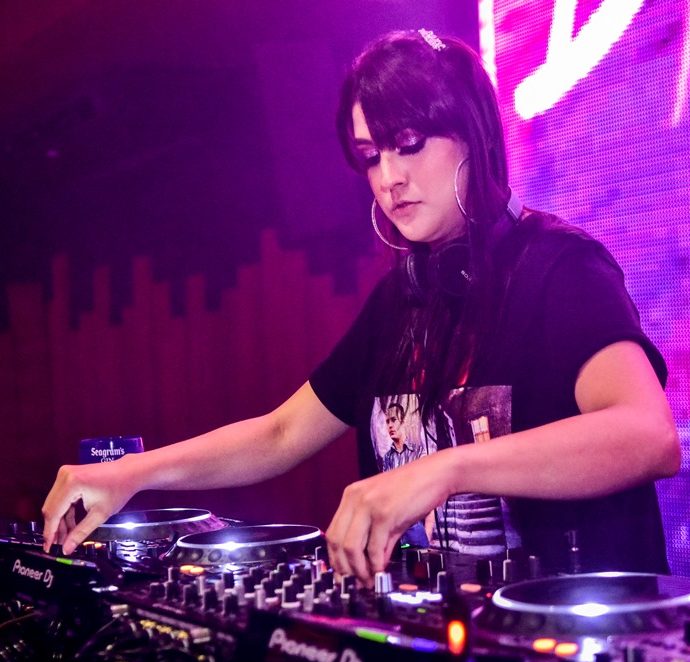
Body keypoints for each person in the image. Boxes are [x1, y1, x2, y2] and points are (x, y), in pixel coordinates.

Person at [41, 29, 680, 586]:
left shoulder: (561, 268)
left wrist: (447, 470)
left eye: (409, 143)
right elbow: (281, 433)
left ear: (475, 136)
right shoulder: (402, 299)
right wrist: (131, 474)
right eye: (372, 156)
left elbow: (648, 437)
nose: (388, 178)